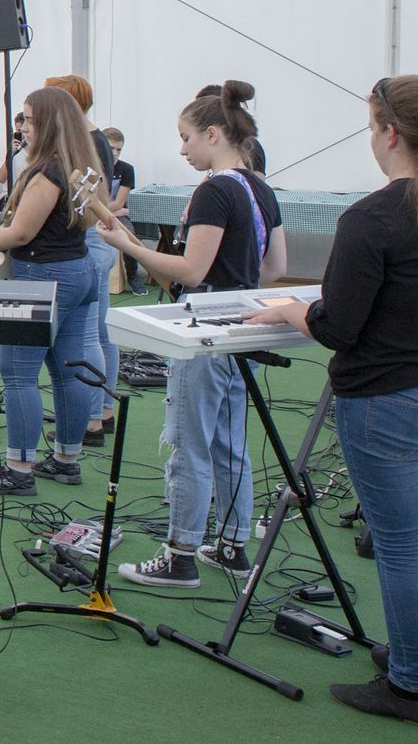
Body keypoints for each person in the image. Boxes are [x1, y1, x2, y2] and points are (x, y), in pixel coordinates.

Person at [243, 75, 418, 725]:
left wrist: (287, 311)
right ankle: (410, 654)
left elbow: (336, 326)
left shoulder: (375, 215)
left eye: (369, 126)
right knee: (410, 539)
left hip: (393, 402)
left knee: (403, 546)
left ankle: (414, 686)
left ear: (389, 132)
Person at [99, 83, 286, 588]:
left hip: (204, 326)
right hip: (241, 325)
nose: (181, 149)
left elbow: (190, 268)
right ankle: (231, 545)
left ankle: (181, 552)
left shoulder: (214, 190)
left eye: (185, 138)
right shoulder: (261, 188)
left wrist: (129, 247)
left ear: (212, 134)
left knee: (188, 442)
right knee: (229, 441)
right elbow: (276, 266)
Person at [0, 87, 102, 495]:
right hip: (77, 270)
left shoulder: (49, 171)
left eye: (28, 119)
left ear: (46, 122)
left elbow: (20, 231)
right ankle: (66, 460)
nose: (23, 128)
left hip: (45, 276)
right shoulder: (77, 164)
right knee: (68, 370)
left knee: (17, 372)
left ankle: (19, 469)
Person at [46, 74, 123, 444]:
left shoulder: (86, 140)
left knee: (90, 332)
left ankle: (92, 416)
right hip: (96, 238)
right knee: (101, 331)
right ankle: (102, 411)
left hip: (89, 238)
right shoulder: (96, 140)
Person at [102, 126, 148, 293]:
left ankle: (133, 276)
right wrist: (109, 211)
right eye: (111, 148)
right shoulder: (92, 167)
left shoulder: (126, 169)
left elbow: (120, 202)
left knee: (129, 235)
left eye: (118, 149)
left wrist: (109, 212)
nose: (115, 153)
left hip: (115, 214)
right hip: (98, 213)